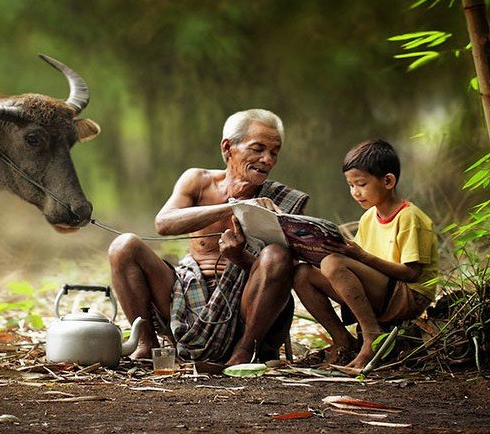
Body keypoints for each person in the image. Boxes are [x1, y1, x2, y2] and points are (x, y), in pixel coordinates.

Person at [109, 109, 309, 366]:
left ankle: (244, 351)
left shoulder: (280, 200)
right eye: (258, 149)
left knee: (277, 254)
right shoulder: (198, 181)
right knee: (123, 245)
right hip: (184, 294)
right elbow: (163, 223)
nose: (267, 160)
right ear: (228, 148)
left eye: (274, 152)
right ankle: (147, 345)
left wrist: (239, 257)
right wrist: (233, 207)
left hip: (245, 305)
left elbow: (283, 273)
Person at [293, 139, 438, 371]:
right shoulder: (369, 217)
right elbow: (353, 264)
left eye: (361, 184)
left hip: (408, 295)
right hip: (382, 289)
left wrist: (359, 256)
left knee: (332, 263)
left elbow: (412, 273)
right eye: (350, 186)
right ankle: (343, 342)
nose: (355, 192)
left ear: (388, 181)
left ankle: (372, 336)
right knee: (302, 274)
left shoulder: (410, 218)